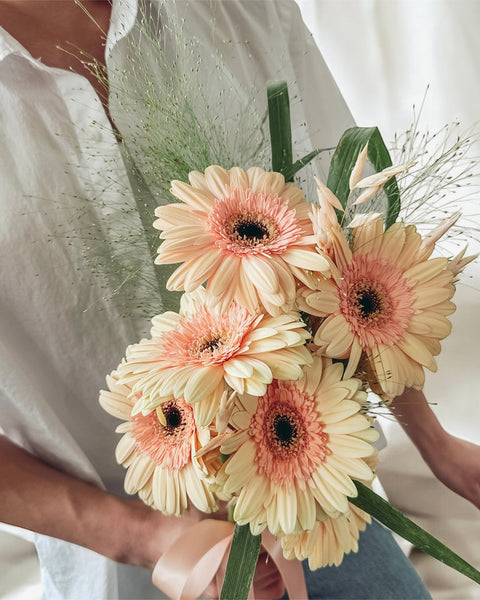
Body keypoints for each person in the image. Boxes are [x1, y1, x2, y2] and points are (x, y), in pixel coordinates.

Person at [0, 1, 476, 599]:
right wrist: (144, 537)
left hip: (310, 498)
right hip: (118, 555)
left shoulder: (240, 9)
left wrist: (435, 443)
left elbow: (352, 256)